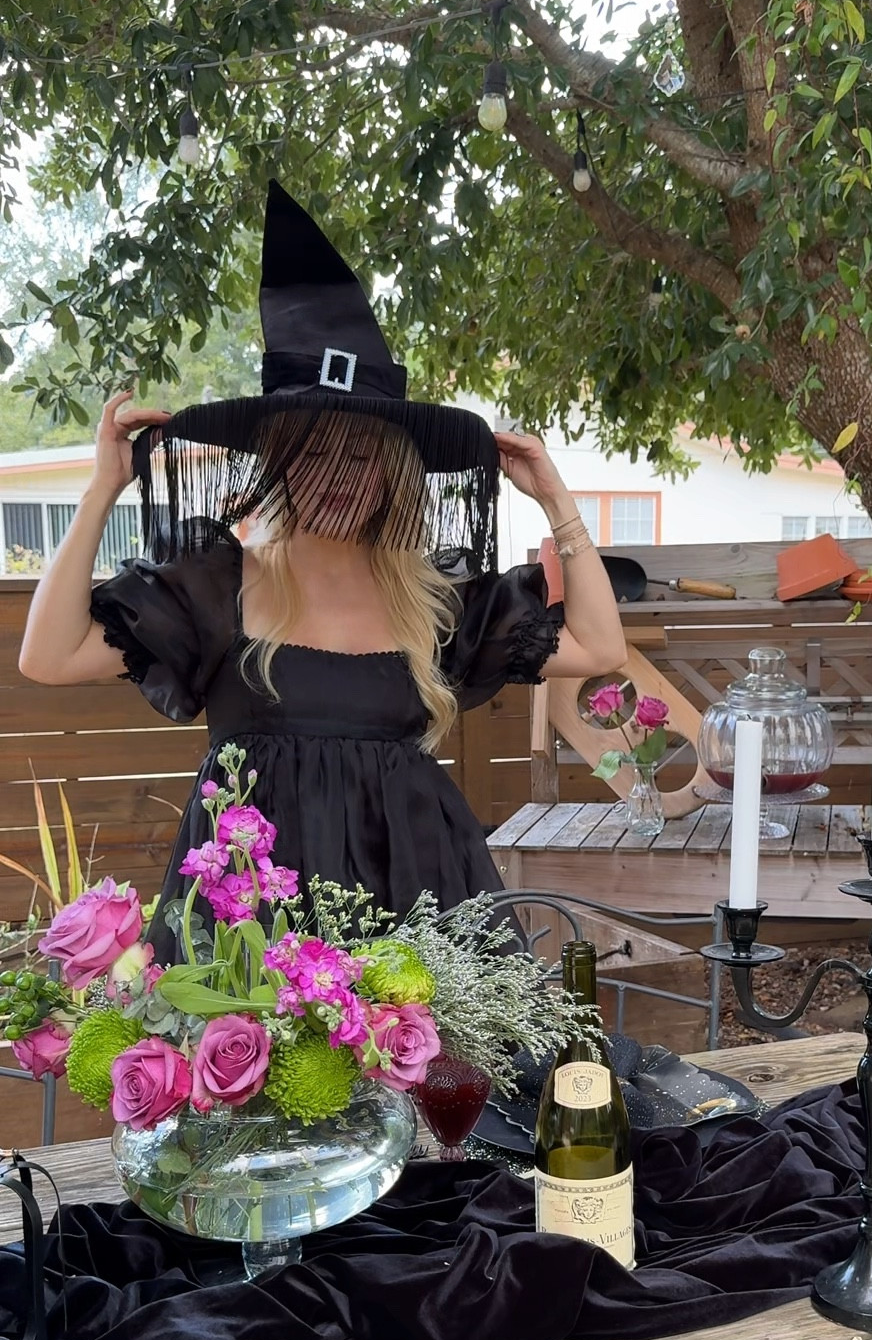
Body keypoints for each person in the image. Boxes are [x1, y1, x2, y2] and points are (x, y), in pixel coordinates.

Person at [19, 185, 626, 957]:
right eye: (313, 451)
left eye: (362, 453)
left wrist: (555, 500)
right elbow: (46, 656)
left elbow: (602, 649)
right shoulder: (218, 585)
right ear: (278, 462)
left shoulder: (434, 601)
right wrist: (103, 487)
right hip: (251, 927)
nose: (339, 475)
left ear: (392, 471)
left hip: (417, 913)